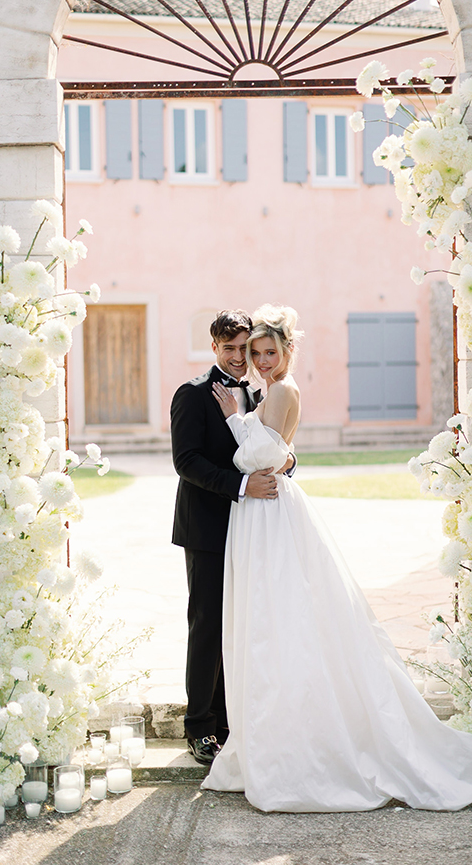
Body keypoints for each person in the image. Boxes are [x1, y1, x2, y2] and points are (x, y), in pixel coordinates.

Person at [201, 303, 472, 812]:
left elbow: (266, 457)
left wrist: (237, 421)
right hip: (263, 510)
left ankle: (306, 751)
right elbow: (281, 451)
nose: (260, 360)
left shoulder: (281, 389)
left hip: (271, 510)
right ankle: (274, 738)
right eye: (254, 353)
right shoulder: (270, 391)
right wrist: (257, 431)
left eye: (268, 352)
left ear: (287, 351)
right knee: (273, 619)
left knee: (281, 618)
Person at [170, 309, 293, 765]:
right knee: (207, 627)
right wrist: (242, 486)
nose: (241, 357)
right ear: (214, 348)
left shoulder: (261, 390)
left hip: (252, 530)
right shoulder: (192, 394)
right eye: (231, 349)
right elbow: (187, 462)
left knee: (240, 624)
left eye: (246, 348)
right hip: (207, 528)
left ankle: (230, 722)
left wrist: (287, 465)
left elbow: (273, 445)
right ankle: (200, 727)